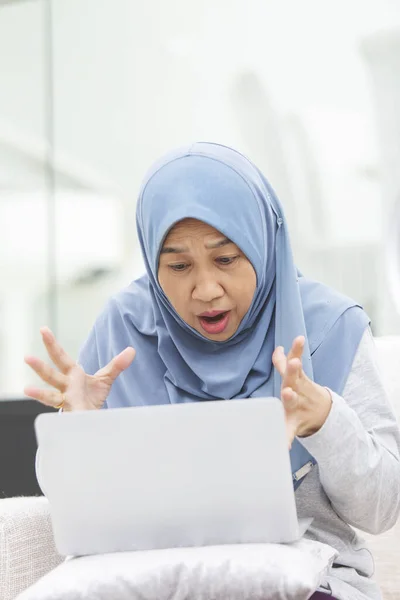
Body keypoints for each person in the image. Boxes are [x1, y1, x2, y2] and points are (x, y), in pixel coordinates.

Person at [25, 142, 400, 600]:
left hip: (307, 582)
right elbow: (74, 516)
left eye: (226, 259)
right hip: (155, 583)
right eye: (179, 265)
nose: (205, 289)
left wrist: (325, 419)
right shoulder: (124, 328)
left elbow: (381, 509)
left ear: (263, 244)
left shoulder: (330, 328)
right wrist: (77, 428)